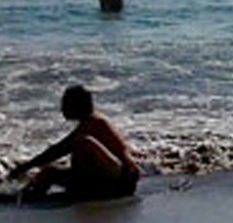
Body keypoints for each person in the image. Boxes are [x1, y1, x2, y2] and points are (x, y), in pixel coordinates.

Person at [9, 85, 140, 202]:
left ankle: (31, 196)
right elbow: (59, 149)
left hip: (119, 181)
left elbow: (59, 150)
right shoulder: (87, 123)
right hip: (108, 179)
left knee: (83, 143)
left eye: (65, 104)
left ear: (77, 106)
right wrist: (27, 166)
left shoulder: (95, 123)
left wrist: (25, 167)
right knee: (51, 170)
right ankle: (27, 195)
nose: (62, 109)